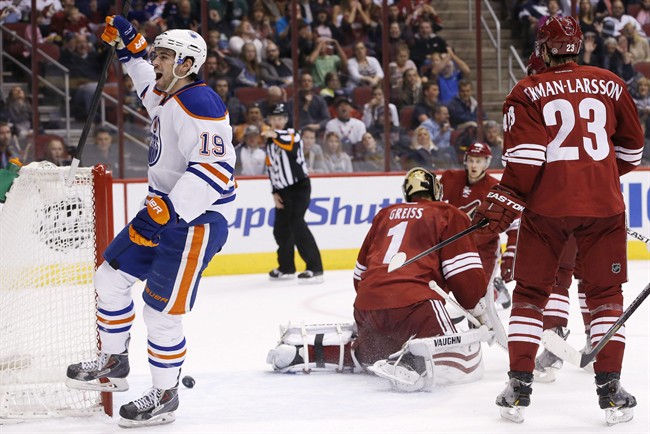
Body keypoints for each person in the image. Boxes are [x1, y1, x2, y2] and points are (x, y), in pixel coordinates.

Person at [471, 16, 644, 424]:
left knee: (531, 295)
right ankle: (611, 393)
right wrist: (593, 173)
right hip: (604, 209)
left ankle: (518, 389)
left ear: (544, 48)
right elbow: (632, 153)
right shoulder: (611, 82)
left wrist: (503, 200)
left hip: (546, 211)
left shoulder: (527, 90)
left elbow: (527, 162)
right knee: (605, 297)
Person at [65, 18, 237, 428]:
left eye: (163, 56)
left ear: (187, 64)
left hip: (197, 220)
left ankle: (165, 395)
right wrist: (129, 45)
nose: (154, 61)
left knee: (160, 313)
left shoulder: (202, 103)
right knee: (109, 278)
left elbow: (215, 170)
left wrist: (166, 214)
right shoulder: (165, 94)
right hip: (165, 212)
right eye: (156, 54)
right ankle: (115, 362)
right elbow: (143, 78)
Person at [267, 168, 504, 391]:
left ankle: (300, 352)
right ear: (436, 192)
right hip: (416, 307)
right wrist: (479, 312)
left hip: (367, 306)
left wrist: (378, 302)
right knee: (462, 354)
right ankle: (413, 361)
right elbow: (464, 274)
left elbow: (360, 275)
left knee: (368, 355)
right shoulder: (449, 214)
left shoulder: (384, 215)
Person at [439, 143, 516, 310]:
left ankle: (494, 289)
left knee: (478, 299)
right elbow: (433, 209)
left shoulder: (495, 188)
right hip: (454, 246)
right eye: (472, 160)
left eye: (479, 161)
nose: (474, 165)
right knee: (441, 289)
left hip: (485, 250)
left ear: (487, 163)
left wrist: (511, 252)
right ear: (466, 160)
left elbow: (515, 222)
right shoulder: (450, 178)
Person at [261, 103, 324, 283]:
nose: (277, 121)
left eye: (281, 118)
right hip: (282, 191)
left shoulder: (293, 136)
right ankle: (286, 268)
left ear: (286, 120)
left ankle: (315, 268)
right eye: (274, 118)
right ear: (270, 120)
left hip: (299, 188)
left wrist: (272, 132)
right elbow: (271, 169)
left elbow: (284, 138)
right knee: (280, 229)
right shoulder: (270, 143)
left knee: (297, 224)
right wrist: (274, 192)